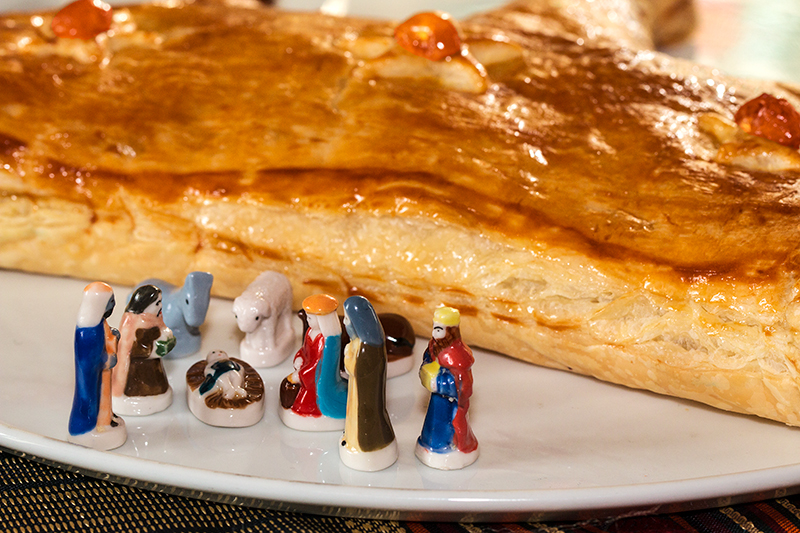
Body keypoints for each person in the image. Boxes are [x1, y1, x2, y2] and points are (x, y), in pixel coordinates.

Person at [416, 306, 479, 470]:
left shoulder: (459, 356)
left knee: (446, 426)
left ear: (450, 331)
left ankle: (445, 447)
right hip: (437, 400)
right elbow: (427, 360)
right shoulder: (433, 346)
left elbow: (463, 383)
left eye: (439, 329)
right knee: (433, 421)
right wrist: (425, 371)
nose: (434, 333)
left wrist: (437, 382)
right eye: (434, 327)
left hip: (450, 403)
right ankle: (430, 444)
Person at [339, 295, 397, 471]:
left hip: (364, 394)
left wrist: (348, 355)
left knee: (365, 417)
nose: (345, 323)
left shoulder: (367, 347)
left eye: (347, 318)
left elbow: (357, 369)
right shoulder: (361, 343)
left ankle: (363, 444)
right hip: (357, 389)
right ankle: (352, 439)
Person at [68, 281, 126, 450]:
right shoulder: (88, 331)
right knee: (96, 399)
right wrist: (107, 359)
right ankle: (96, 425)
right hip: (94, 377)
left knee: (105, 396)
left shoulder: (99, 323)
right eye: (111, 302)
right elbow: (89, 359)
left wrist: (112, 337)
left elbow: (105, 340)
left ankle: (106, 419)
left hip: (103, 375)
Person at [279, 294, 346, 431]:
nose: (307, 320)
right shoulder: (310, 331)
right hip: (306, 370)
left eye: (310, 318)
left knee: (303, 405)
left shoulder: (325, 340)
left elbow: (318, 364)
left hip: (315, 379)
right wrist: (299, 358)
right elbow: (305, 350)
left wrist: (300, 375)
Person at [112, 284, 175, 416]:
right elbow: (132, 347)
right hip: (137, 367)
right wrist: (155, 349)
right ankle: (136, 395)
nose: (160, 306)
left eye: (160, 302)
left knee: (156, 381)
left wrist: (167, 337)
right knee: (142, 383)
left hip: (153, 364)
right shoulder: (133, 321)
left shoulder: (155, 318)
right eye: (157, 303)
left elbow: (161, 330)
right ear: (145, 304)